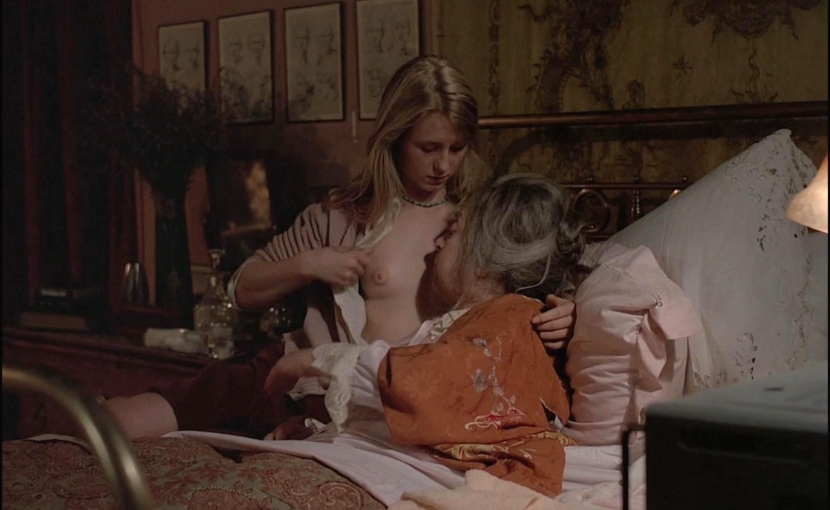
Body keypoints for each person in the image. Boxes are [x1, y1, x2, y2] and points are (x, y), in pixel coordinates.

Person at [105, 55, 576, 440]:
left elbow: (530, 287)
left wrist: (566, 312)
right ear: (396, 139)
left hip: (381, 402)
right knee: (129, 420)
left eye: (457, 148)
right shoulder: (345, 214)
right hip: (295, 375)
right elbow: (242, 289)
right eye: (429, 148)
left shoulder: (478, 219)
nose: (444, 165)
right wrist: (310, 264)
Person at [180, 173, 585, 506]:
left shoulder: (512, 320)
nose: (438, 243)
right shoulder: (477, 322)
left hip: (419, 476)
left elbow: (431, 387)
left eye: (454, 231)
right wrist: (321, 428)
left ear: (484, 255)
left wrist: (318, 359)